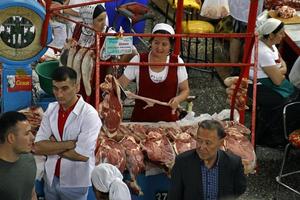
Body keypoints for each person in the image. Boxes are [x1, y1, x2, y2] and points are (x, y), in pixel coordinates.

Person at [34, 66, 102, 200]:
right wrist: (70, 144)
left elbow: (82, 155)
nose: (59, 94)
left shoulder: (89, 114)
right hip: (51, 178)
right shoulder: (51, 109)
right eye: (55, 88)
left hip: (75, 184)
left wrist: (52, 146)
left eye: (64, 88)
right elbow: (38, 146)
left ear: (76, 87)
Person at [118, 23, 190, 122]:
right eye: (156, 43)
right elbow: (120, 85)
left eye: (164, 44)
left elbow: (185, 90)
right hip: (140, 121)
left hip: (168, 123)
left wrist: (178, 99)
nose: (159, 48)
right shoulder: (139, 60)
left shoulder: (177, 62)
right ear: (151, 42)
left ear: (170, 46)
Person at [248, 18, 300, 146]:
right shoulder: (263, 51)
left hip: (270, 79)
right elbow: (277, 80)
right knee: (289, 102)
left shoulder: (269, 44)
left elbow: (281, 62)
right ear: (271, 35)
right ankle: (272, 136)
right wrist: (282, 69)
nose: (283, 35)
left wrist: (281, 69)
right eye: (281, 33)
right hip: (259, 86)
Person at [168, 120, 246, 200]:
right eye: (199, 140)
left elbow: (240, 189)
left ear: (220, 143)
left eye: (208, 143)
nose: (202, 147)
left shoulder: (233, 163)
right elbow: (174, 195)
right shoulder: (182, 162)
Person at [0, 111, 37, 200]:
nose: (33, 137)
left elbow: (31, 194)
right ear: (11, 138)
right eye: (27, 133)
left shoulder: (29, 159)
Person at [228, 0, 264, 75]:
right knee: (238, 37)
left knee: (239, 37)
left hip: (242, 9)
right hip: (243, 9)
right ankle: (235, 66)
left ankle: (238, 65)